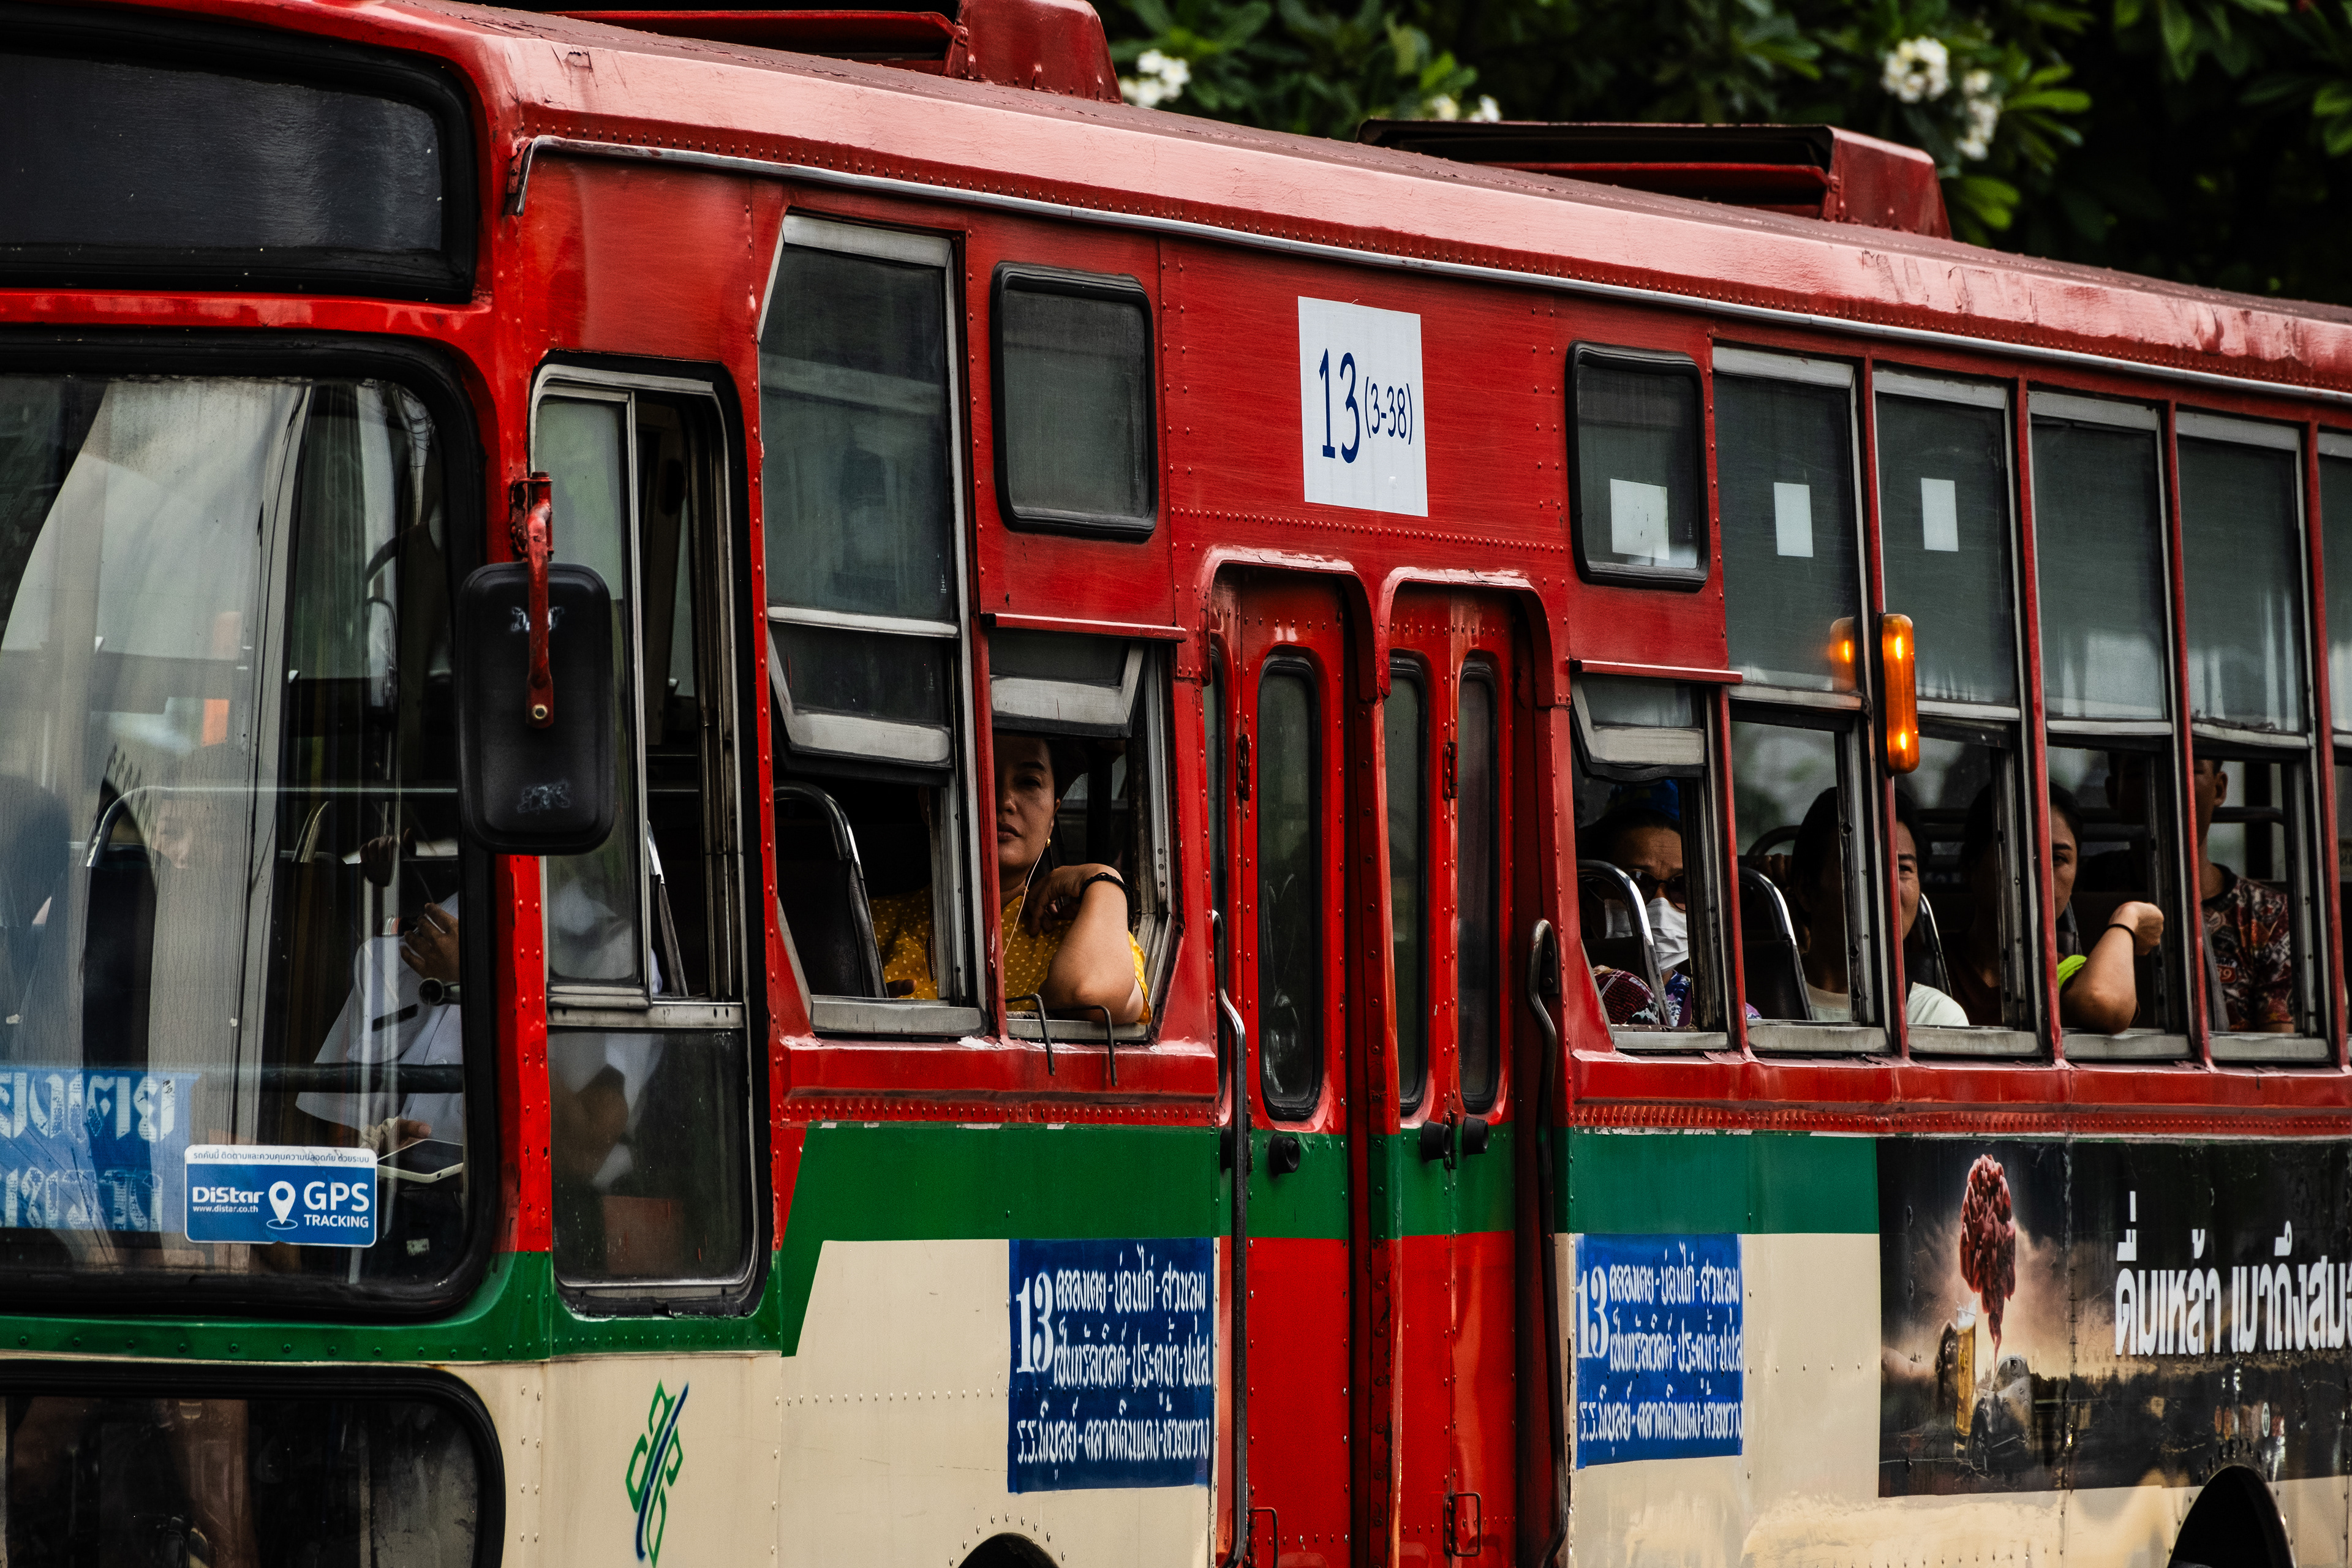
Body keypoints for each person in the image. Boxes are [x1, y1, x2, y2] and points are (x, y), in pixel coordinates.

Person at [869, 730, 1149, 1025]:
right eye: (979, 777)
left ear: (1053, 815)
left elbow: (1091, 996)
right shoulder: (867, 924)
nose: (1004, 801)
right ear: (929, 802)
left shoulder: (1085, 938)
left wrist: (1104, 880)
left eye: (1029, 782)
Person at [1947, 785, 2163, 1031]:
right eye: (2016, 854)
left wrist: (2127, 919)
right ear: (1969, 865)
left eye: (2058, 859)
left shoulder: (2069, 974)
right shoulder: (1930, 959)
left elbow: (2102, 1003)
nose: (2038, 874)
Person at [1785, 787, 1967, 1025]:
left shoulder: (1935, 1018)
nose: (1884, 889)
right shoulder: (1757, 1005)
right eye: (1859, 868)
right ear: (1806, 890)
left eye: (1903, 869)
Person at [2189, 757, 2294, 1033]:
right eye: (2142, 771)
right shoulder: (2081, 889)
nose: (2171, 785)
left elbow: (2282, 1050)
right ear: (2113, 790)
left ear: (2219, 789)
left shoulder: (2267, 914)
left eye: (2191, 770)